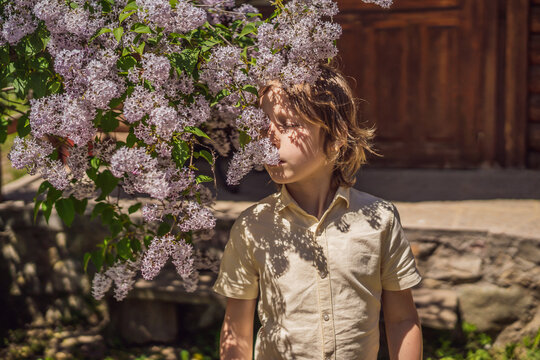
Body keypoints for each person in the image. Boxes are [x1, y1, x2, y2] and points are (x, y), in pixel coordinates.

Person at [212, 62, 423, 360]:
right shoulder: (251, 227)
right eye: (263, 126)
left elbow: (402, 319)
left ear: (336, 137)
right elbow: (237, 329)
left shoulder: (380, 220)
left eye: (287, 125)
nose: (269, 137)